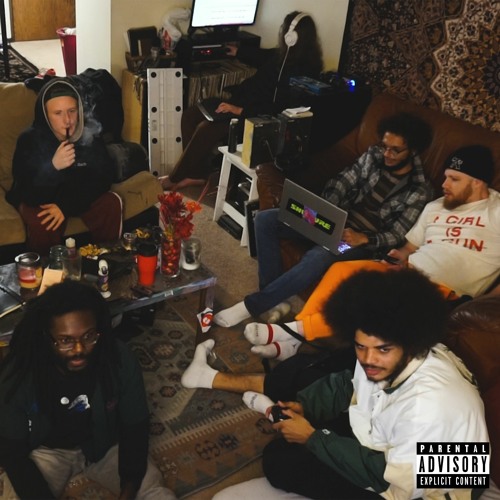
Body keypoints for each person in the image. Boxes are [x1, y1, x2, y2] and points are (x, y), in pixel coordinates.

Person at [210, 269, 489, 499]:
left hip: (427, 487)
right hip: (390, 444)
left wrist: (313, 438)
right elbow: (350, 383)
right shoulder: (388, 350)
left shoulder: (431, 408)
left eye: (382, 349)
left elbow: (388, 479)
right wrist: (307, 405)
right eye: (360, 346)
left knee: (283, 462)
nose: (368, 359)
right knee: (283, 449)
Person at [239, 144, 500, 360]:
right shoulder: (436, 205)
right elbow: (409, 247)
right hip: (396, 265)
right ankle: (292, 340)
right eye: (444, 176)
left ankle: (291, 331)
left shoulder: (494, 211)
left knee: (341, 273)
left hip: (436, 286)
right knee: (339, 269)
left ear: (478, 182)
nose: (444, 184)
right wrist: (393, 258)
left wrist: (487, 300)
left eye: (454, 179)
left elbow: (394, 234)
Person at [214, 112, 434, 329]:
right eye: (384, 146)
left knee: (319, 255)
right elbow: (343, 181)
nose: (387, 154)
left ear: (413, 151)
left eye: (395, 150)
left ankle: (252, 306)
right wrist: (326, 210)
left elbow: (396, 234)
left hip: (358, 241)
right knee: (266, 219)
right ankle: (273, 298)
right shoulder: (373, 155)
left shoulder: (419, 190)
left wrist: (364, 238)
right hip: (332, 221)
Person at [0, 281, 175, 499]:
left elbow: (135, 427)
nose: (79, 349)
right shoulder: (19, 373)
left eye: (89, 336)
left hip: (106, 444)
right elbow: (13, 452)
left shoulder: (118, 357)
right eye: (65, 340)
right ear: (47, 337)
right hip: (49, 450)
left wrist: (128, 490)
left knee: (156, 492)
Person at [158, 11, 323, 190]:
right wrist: (238, 51)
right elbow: (261, 55)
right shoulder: (282, 56)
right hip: (240, 103)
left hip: (253, 117)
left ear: (292, 36)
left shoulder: (304, 72)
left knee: (206, 128)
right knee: (190, 115)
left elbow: (279, 109)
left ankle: (175, 178)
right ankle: (196, 175)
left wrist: (238, 110)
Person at [6, 78, 122, 256]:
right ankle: (49, 269)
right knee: (45, 220)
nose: (67, 120)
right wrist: (53, 167)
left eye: (72, 111)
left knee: (110, 203)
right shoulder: (29, 140)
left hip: (73, 196)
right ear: (45, 115)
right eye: (58, 113)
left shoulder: (88, 133)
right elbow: (28, 193)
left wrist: (65, 206)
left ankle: (105, 260)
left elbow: (104, 177)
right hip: (40, 197)